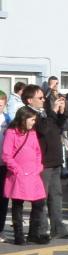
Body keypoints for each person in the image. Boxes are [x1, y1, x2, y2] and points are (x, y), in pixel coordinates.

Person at [22, 84, 68, 241]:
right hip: (42, 161)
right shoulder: (28, 114)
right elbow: (43, 129)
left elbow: (56, 127)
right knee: (41, 197)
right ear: (29, 100)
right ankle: (40, 230)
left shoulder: (43, 111)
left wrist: (61, 112)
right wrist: (52, 111)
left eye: (43, 97)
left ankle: (58, 228)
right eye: (40, 98)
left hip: (54, 159)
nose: (43, 99)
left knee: (56, 196)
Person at [2, 107, 46, 245]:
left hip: (33, 174)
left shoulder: (32, 133)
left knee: (39, 202)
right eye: (32, 119)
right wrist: (17, 170)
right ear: (23, 118)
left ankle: (33, 233)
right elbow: (6, 155)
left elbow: (37, 152)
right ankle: (19, 235)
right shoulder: (11, 133)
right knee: (18, 203)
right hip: (19, 174)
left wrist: (39, 166)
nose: (34, 122)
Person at [0, 91, 11, 242]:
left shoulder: (8, 120)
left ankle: (0, 229)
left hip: (4, 164)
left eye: (1, 103)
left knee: (3, 198)